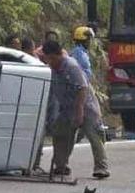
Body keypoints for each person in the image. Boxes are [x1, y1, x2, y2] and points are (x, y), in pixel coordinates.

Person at [42, 40, 109, 179]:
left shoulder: (70, 66)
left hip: (85, 106)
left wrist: (79, 112)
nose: (49, 61)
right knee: (60, 133)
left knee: (94, 135)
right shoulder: (54, 68)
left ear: (57, 55)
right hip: (67, 108)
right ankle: (61, 166)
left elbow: (82, 88)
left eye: (51, 58)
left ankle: (101, 167)